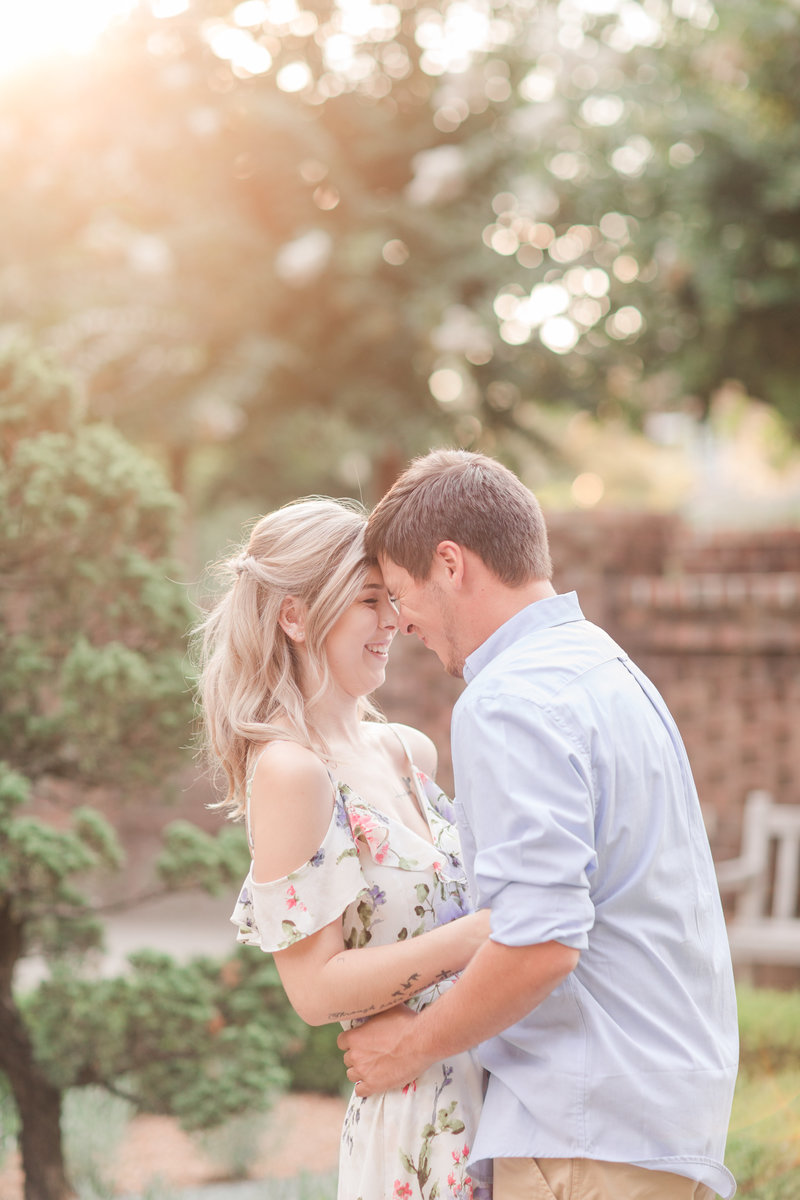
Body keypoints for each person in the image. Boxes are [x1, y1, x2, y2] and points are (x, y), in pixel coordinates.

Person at [339, 449, 739, 1200]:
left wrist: (408, 1050)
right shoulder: (607, 669)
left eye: (399, 591)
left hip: (587, 1136)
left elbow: (541, 942)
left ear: (449, 563)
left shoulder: (508, 700)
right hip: (660, 1123)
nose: (401, 620)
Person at [196, 496, 493, 1200]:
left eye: (392, 598)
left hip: (497, 1092)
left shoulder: (407, 751)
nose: (393, 620)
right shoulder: (292, 772)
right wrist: (485, 933)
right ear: (295, 617)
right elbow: (314, 990)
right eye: (368, 600)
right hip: (421, 1124)